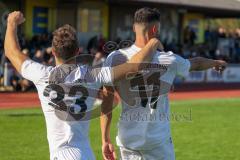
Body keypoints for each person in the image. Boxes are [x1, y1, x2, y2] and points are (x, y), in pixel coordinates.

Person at [4, 11, 163, 160]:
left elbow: (11, 52)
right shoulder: (93, 75)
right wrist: (153, 41)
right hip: (86, 153)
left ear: (53, 51)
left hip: (61, 154)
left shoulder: (43, 75)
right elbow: (135, 66)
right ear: (78, 51)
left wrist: (11, 23)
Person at [100, 7, 227, 160]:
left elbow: (107, 100)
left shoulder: (114, 58)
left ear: (134, 28)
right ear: (155, 29)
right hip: (157, 142)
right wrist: (216, 62)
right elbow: (197, 63)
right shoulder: (168, 60)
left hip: (128, 141)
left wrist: (105, 139)